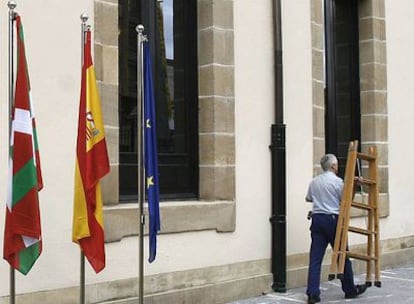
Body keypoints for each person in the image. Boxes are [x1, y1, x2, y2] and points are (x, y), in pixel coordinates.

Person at [305, 154, 367, 304]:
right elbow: (346, 201)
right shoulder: (338, 182)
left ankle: (313, 293)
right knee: (342, 255)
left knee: (315, 258)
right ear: (333, 166)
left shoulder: (315, 181)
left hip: (317, 219)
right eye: (337, 164)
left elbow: (309, 198)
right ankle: (350, 289)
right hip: (333, 220)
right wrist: (353, 186)